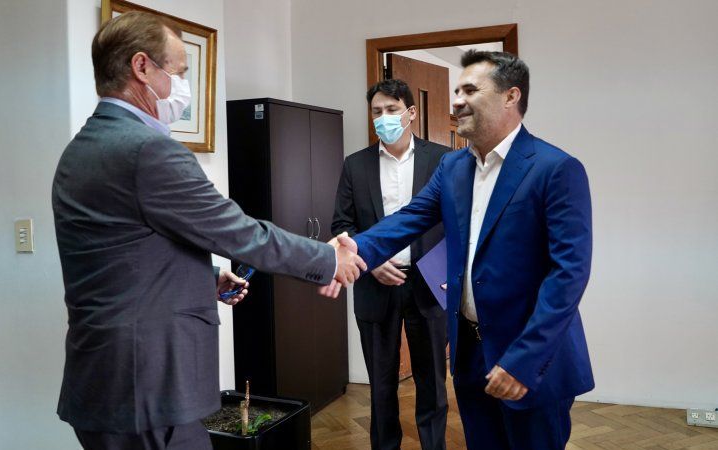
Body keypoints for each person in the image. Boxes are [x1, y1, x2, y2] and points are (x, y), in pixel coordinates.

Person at [52, 11, 364, 450]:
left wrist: (205, 278)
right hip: (150, 389)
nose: (184, 87)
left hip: (103, 382)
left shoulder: (81, 148)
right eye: (179, 72)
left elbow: (121, 255)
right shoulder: (148, 150)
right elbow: (240, 233)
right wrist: (329, 259)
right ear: (141, 67)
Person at [322, 50, 593, 450]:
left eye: (470, 90)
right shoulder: (453, 168)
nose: (456, 101)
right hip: (470, 354)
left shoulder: (556, 169)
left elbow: (568, 274)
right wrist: (350, 249)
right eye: (456, 91)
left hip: (530, 359)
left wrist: (524, 359)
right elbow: (409, 219)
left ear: (510, 96)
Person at [331, 79, 449, 450]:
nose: (383, 117)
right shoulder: (356, 165)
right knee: (381, 386)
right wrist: (370, 261)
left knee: (432, 382)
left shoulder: (444, 159)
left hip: (429, 285)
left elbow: (458, 222)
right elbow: (341, 225)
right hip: (375, 285)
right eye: (377, 111)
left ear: (411, 113)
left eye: (392, 110)